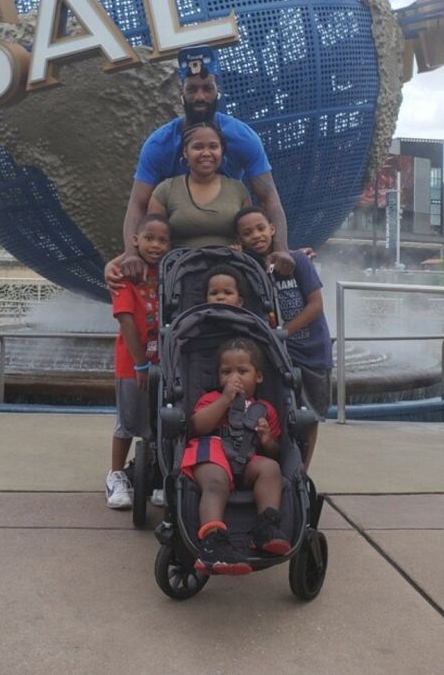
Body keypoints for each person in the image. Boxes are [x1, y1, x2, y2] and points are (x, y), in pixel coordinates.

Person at [112, 44, 294, 287]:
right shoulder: (159, 144)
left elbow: (269, 198)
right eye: (192, 89)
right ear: (181, 92)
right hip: (177, 259)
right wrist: (131, 254)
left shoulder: (242, 138)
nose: (200, 97)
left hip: (231, 256)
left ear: (218, 90)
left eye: (207, 88)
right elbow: (137, 205)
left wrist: (281, 249)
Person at [181, 336, 290, 575]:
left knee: (270, 467)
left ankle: (266, 526)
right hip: (211, 451)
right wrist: (224, 400)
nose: (234, 377)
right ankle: (212, 541)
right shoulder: (211, 399)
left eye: (242, 371)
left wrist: (267, 439)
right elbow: (197, 426)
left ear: (258, 376)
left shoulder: (264, 408)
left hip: (246, 457)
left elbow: (276, 450)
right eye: (226, 372)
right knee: (216, 481)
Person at [235, 206, 331, 468]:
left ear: (272, 229)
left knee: (309, 417)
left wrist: (283, 332)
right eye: (247, 233)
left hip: (311, 353)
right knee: (278, 412)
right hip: (276, 357)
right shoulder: (249, 270)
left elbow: (315, 305)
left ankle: (302, 472)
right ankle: (281, 466)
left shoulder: (297, 260)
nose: (256, 235)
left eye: (260, 228)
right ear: (240, 241)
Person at [106, 214, 172, 510]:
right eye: (149, 238)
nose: (156, 245)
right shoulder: (124, 274)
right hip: (133, 364)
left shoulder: (170, 272)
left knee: (159, 423)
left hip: (165, 363)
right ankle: (116, 475)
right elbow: (126, 319)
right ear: (135, 240)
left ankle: (158, 477)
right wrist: (139, 363)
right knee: (128, 421)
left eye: (162, 240)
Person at [147, 122, 249, 247]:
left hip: (231, 263)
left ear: (221, 151)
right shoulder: (165, 190)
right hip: (181, 264)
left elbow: (251, 237)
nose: (206, 153)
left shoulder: (238, 190)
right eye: (198, 147)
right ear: (185, 152)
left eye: (213, 146)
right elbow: (151, 240)